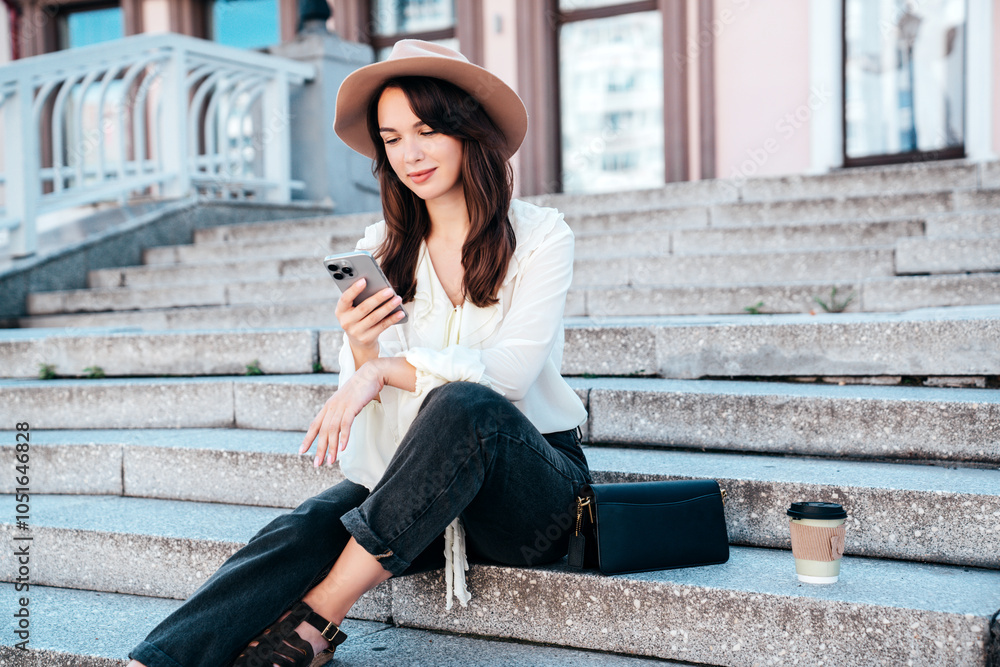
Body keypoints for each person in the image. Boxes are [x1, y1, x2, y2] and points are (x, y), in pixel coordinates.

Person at [126, 39, 590, 667]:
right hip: (423, 486)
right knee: (307, 525)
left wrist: (380, 369)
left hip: (529, 497)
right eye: (392, 138)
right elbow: (375, 446)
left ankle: (317, 620)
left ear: (468, 132)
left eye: (426, 130)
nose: (410, 155)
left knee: (465, 404)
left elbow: (507, 379)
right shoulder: (381, 247)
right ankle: (154, 661)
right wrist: (361, 346)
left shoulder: (540, 236)